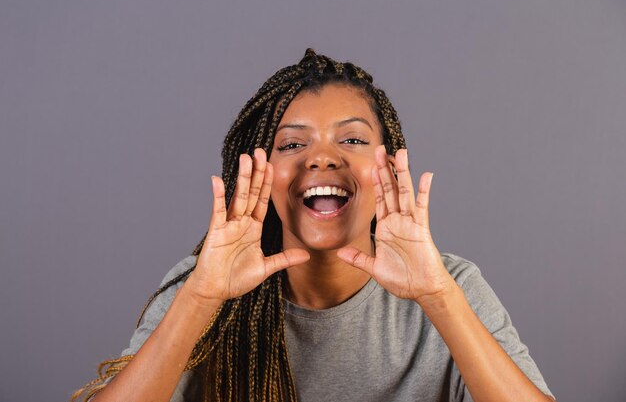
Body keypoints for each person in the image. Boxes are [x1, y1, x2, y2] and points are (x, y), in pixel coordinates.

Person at [72, 49, 555, 402]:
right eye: (291, 145)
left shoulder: (452, 287)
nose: (323, 158)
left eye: (352, 138)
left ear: (387, 168)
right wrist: (199, 300)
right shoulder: (200, 288)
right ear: (259, 172)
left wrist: (438, 298)